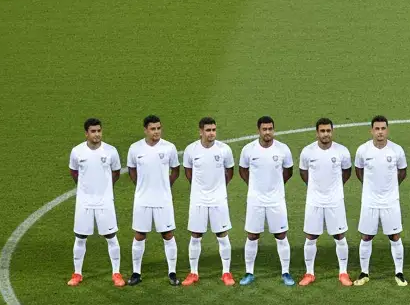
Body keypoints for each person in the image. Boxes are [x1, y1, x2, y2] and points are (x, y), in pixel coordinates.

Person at [67, 118, 124, 287]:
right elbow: (73, 171)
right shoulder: (77, 152)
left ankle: (116, 273)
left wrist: (104, 190)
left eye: (99, 131)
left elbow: (116, 173)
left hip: (105, 201)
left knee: (111, 236)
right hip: (84, 202)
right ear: (86, 133)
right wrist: (85, 189)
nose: (97, 134)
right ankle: (77, 273)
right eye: (93, 131)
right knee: (80, 237)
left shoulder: (111, 151)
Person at [238, 116, 295, 286]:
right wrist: (254, 186)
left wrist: (276, 186)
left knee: (281, 235)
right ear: (259, 130)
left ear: (273, 129)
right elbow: (242, 170)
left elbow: (289, 171)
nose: (268, 132)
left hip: (276, 200)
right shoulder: (248, 150)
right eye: (264, 129)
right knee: (252, 235)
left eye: (270, 129)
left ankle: (286, 272)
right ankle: (249, 272)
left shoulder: (283, 149)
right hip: (255, 200)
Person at [298, 118, 354, 286]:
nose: (325, 134)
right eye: (322, 131)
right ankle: (309, 273)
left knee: (339, 236)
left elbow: (347, 172)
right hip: (314, 201)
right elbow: (303, 172)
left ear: (332, 131)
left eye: (328, 131)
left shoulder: (341, 151)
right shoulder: (307, 152)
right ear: (317, 133)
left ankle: (343, 272)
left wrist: (334, 188)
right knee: (311, 236)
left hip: (335, 201)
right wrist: (315, 188)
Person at [352, 115, 408, 286]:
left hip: (390, 201)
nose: (380, 132)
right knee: (366, 236)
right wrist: (371, 188)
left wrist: (390, 188)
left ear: (387, 130)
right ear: (371, 131)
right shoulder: (363, 150)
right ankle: (364, 273)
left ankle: (399, 273)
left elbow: (402, 172)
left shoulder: (396, 150)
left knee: (395, 236)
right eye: (377, 129)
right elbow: (359, 170)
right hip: (369, 201)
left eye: (383, 128)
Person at [180, 116, 236, 286]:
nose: (212, 133)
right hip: (198, 199)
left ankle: (226, 272)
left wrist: (219, 188)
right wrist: (200, 189)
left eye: (213, 130)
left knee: (222, 234)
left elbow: (230, 171)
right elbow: (188, 172)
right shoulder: (191, 150)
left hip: (218, 199)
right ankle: (194, 272)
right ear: (201, 131)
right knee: (196, 235)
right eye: (208, 130)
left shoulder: (224, 149)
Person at [126, 115, 181, 286]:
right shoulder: (135, 149)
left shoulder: (169, 147)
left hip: (163, 200)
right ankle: (136, 272)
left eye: (158, 128)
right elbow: (132, 170)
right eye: (153, 129)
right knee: (139, 235)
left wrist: (166, 185)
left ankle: (172, 272)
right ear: (145, 130)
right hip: (142, 199)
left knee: (168, 234)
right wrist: (142, 186)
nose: (156, 132)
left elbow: (175, 170)